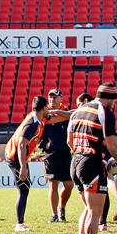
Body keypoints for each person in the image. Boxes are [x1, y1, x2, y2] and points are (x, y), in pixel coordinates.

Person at [67, 82, 117, 234]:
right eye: (114, 101)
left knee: (87, 209)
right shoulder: (105, 113)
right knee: (96, 212)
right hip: (91, 162)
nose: (114, 105)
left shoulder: (78, 111)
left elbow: (70, 141)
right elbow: (112, 145)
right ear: (110, 98)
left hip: (76, 160)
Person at [4, 96, 57, 232]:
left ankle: (20, 223)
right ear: (44, 107)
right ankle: (19, 224)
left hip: (18, 156)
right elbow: (22, 144)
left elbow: (56, 117)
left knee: (25, 188)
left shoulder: (37, 118)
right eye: (47, 108)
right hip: (15, 156)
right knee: (24, 188)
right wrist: (23, 167)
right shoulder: (32, 123)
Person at [39, 89, 74, 223]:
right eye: (50, 97)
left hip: (65, 153)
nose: (52, 100)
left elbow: (73, 115)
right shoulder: (44, 114)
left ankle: (62, 207)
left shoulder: (66, 112)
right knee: (52, 184)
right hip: (50, 155)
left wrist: (56, 112)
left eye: (55, 97)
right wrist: (44, 145)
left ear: (61, 98)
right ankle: (54, 215)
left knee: (69, 184)